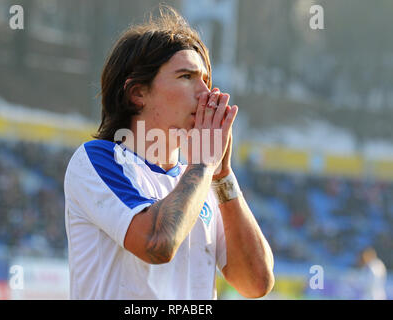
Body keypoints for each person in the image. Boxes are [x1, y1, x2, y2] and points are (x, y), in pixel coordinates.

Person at [64, 6, 274, 300]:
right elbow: (157, 244)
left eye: (205, 79)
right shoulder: (98, 160)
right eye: (186, 76)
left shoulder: (204, 182)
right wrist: (203, 163)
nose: (206, 92)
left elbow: (257, 283)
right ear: (137, 93)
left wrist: (222, 175)